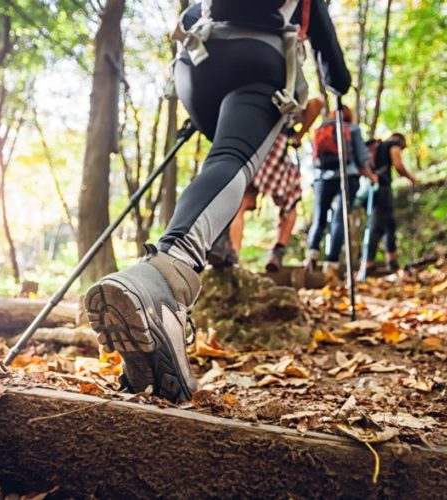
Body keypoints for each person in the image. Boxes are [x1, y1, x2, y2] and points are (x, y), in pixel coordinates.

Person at [84, 0, 351, 403]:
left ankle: (209, 259)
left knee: (221, 159)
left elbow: (193, 13)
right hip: (255, 60)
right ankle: (167, 278)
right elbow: (330, 59)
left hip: (194, 64)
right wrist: (339, 85)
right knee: (233, 160)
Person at [210, 97, 324, 272]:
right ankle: (277, 252)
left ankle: (232, 254)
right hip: (276, 149)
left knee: (239, 204)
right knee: (290, 203)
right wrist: (299, 136)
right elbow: (318, 103)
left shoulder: (250, 97)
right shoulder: (287, 93)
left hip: (250, 146)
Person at [305, 106, 377, 277]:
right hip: (347, 176)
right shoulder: (352, 129)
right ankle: (331, 263)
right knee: (340, 218)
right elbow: (361, 158)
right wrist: (371, 176)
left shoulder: (322, 129)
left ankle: (311, 255)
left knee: (319, 218)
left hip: (322, 178)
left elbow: (314, 159)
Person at [359, 132, 417, 277]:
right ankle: (368, 265)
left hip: (372, 189)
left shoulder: (377, 147)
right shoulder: (392, 144)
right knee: (376, 226)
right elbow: (398, 164)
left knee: (389, 224)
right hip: (381, 189)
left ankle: (391, 262)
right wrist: (411, 178)